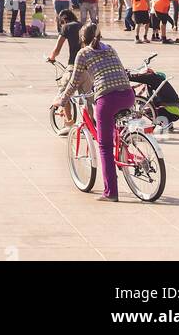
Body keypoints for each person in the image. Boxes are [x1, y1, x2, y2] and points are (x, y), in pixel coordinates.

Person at [57, 24, 135, 202]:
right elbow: (120, 71)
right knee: (115, 131)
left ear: (81, 39)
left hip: (108, 99)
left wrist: (61, 101)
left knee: (104, 145)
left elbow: (74, 82)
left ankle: (110, 192)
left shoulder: (83, 54)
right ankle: (125, 148)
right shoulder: (110, 48)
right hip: (128, 94)